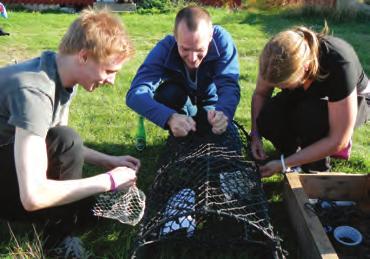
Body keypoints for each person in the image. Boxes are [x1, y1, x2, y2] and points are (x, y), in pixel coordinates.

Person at [0, 8, 139, 255]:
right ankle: (59, 241)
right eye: (108, 71)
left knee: (69, 151)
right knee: (69, 146)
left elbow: (54, 141)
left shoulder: (60, 75)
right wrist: (108, 180)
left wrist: (110, 161)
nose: (111, 81)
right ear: (83, 57)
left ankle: (68, 217)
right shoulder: (34, 92)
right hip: (20, 186)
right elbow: (33, 195)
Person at [251, 24, 369, 177]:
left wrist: (283, 164)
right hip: (306, 91)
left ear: (305, 67)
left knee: (311, 115)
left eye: (283, 85)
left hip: (355, 100)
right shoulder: (274, 56)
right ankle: (292, 154)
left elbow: (338, 140)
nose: (279, 88)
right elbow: (261, 94)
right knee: (268, 116)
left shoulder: (339, 62)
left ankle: (314, 171)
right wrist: (255, 135)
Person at [126, 6, 240, 137]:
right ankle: (182, 130)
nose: (192, 58)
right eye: (185, 49)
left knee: (212, 134)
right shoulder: (165, 48)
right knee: (167, 93)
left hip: (212, 106)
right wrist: (169, 117)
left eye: (199, 50)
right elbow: (136, 93)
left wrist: (223, 113)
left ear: (210, 37)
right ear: (175, 37)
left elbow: (229, 85)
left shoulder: (222, 41)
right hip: (180, 103)